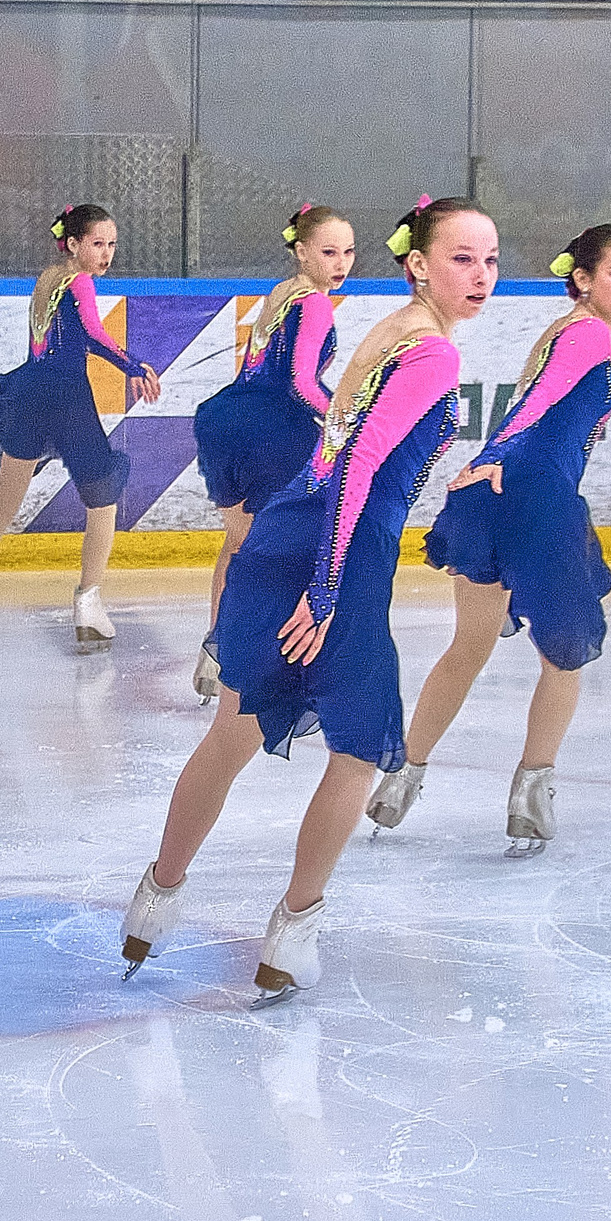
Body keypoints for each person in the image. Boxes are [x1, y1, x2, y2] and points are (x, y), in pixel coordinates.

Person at [120, 197, 499, 999]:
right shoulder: (432, 353)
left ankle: (153, 902)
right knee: (359, 747)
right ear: (419, 264)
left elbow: (341, 447)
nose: (481, 275)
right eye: (462, 257)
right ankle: (291, 936)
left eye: (491, 259)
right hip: (342, 548)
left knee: (233, 731)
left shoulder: (388, 330)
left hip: (284, 524)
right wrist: (326, 587)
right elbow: (359, 469)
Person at [374, 223, 611, 855]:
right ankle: (531, 793)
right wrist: (495, 451)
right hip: (538, 502)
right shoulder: (590, 332)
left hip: (492, 498)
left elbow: (542, 405)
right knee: (565, 656)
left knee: (467, 646)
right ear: (581, 279)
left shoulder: (563, 331)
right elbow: (538, 403)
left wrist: (489, 463)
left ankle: (401, 778)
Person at [0, 204, 161, 650]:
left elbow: (47, 345)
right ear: (74, 244)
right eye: (97, 244)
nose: (106, 253)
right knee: (104, 497)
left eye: (112, 245)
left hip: (28, 394)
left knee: (4, 504)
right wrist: (132, 365)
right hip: (65, 397)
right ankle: (88, 602)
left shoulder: (47, 279)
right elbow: (93, 334)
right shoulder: (79, 281)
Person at [189, 203, 354, 699]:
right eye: (328, 252)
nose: (340, 263)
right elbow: (303, 385)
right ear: (301, 252)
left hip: (225, 419)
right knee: (293, 543)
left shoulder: (282, 294)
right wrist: (346, 424)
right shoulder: (316, 303)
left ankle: (214, 652)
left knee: (239, 544)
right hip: (271, 429)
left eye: (347, 251)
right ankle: (264, 657)